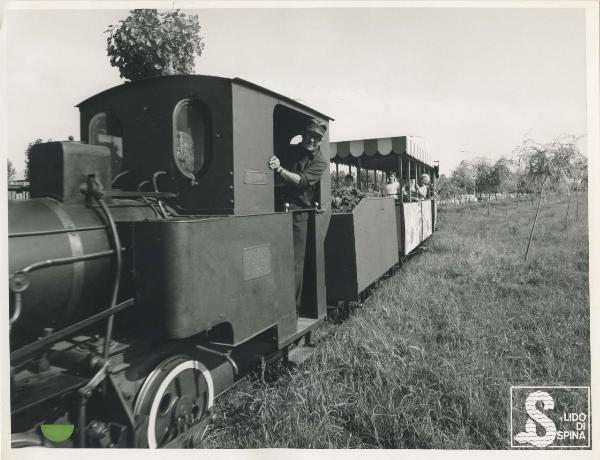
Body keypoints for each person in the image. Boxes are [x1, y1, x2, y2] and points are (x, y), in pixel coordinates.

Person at [268, 118, 328, 314]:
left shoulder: (320, 161)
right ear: (304, 134)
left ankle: (291, 312)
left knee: (294, 265)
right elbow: (273, 158)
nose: (312, 140)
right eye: (310, 135)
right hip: (278, 211)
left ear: (321, 140)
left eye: (317, 138)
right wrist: (275, 160)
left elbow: (301, 182)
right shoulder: (290, 150)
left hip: (299, 216)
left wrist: (280, 169)